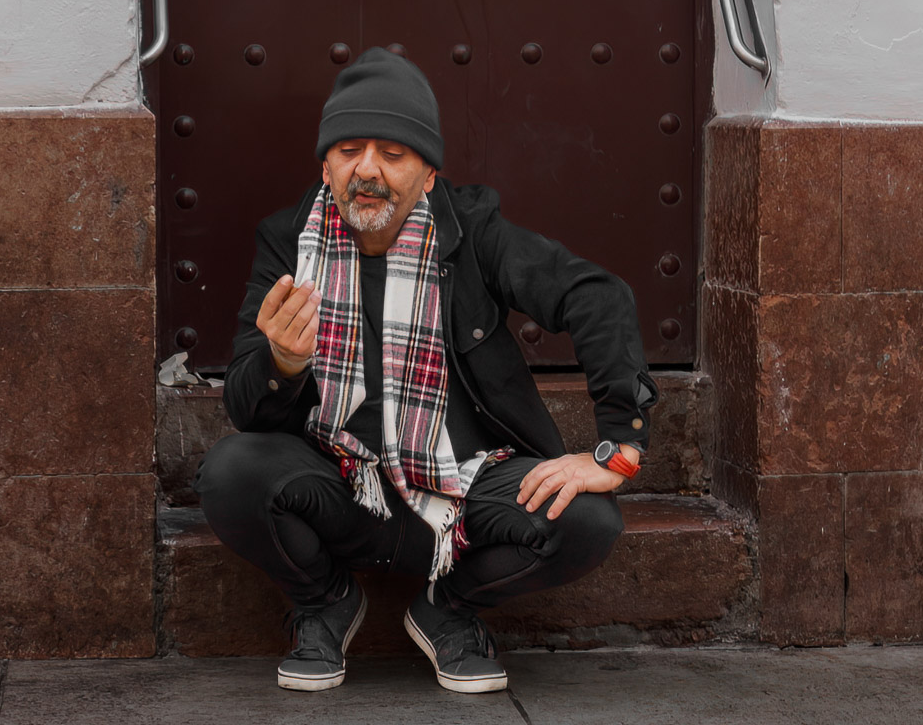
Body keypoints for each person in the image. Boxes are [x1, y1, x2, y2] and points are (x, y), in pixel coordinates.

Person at [196, 47, 657, 694]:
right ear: (325, 165)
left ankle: (450, 609)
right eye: (350, 149)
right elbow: (249, 411)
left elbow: (597, 297)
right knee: (230, 473)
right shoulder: (287, 240)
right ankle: (326, 602)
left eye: (393, 152)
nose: (368, 170)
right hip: (342, 488)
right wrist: (282, 364)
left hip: (464, 489)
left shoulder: (472, 231)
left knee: (586, 522)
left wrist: (618, 447)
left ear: (429, 174)